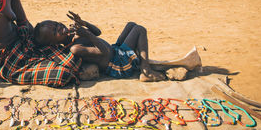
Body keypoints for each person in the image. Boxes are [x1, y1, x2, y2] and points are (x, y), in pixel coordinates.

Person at [34, 11, 166, 82]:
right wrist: (86, 34)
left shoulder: (75, 33)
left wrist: (84, 23)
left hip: (115, 51)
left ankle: (138, 59)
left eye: (57, 24)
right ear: (54, 43)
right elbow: (105, 52)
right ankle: (146, 71)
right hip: (118, 64)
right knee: (139, 30)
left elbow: (98, 32)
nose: (60, 27)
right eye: (55, 32)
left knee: (131, 25)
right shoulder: (75, 48)